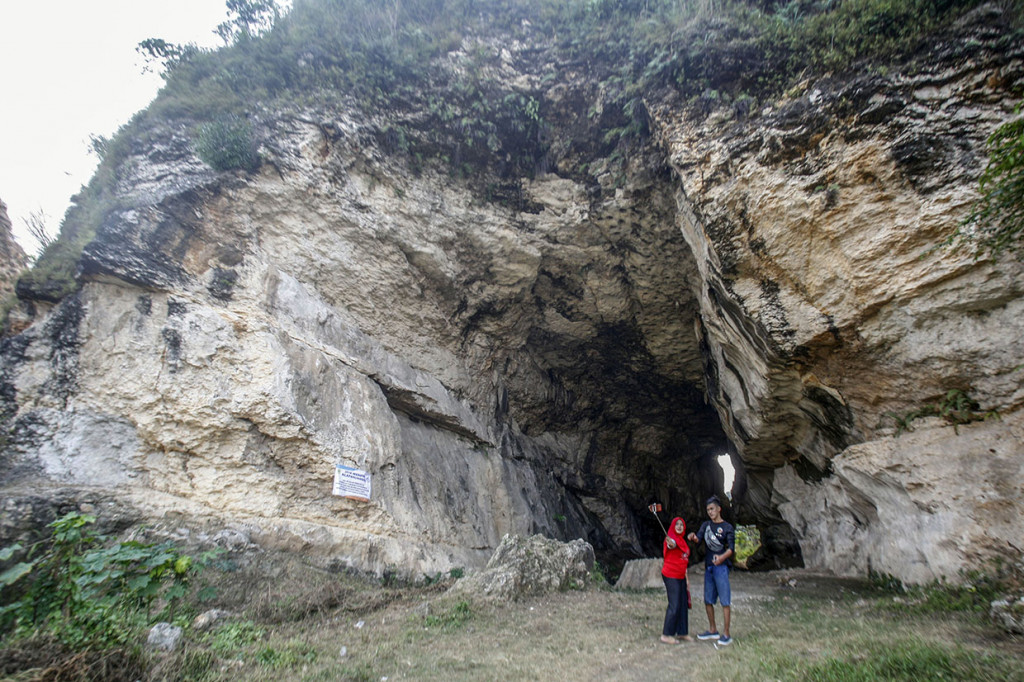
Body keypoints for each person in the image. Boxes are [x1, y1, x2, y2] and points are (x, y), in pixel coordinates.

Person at [687, 495, 735, 645]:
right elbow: (699, 539)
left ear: (719, 509)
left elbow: (731, 549)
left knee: (725, 601)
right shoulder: (706, 525)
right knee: (708, 600)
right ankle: (712, 629)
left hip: (721, 567)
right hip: (709, 567)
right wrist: (693, 537)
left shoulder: (727, 527)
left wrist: (721, 558)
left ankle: (726, 633)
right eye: (708, 510)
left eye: (712, 509)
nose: (710, 512)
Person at [660, 516, 692, 644]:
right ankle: (666, 634)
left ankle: (682, 632)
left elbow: (684, 561)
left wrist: (687, 579)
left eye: (681, 525)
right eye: (677, 524)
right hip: (671, 575)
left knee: (683, 604)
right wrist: (670, 542)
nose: (679, 526)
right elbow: (671, 544)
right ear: (673, 526)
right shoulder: (671, 538)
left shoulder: (682, 541)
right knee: (675, 604)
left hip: (681, 575)